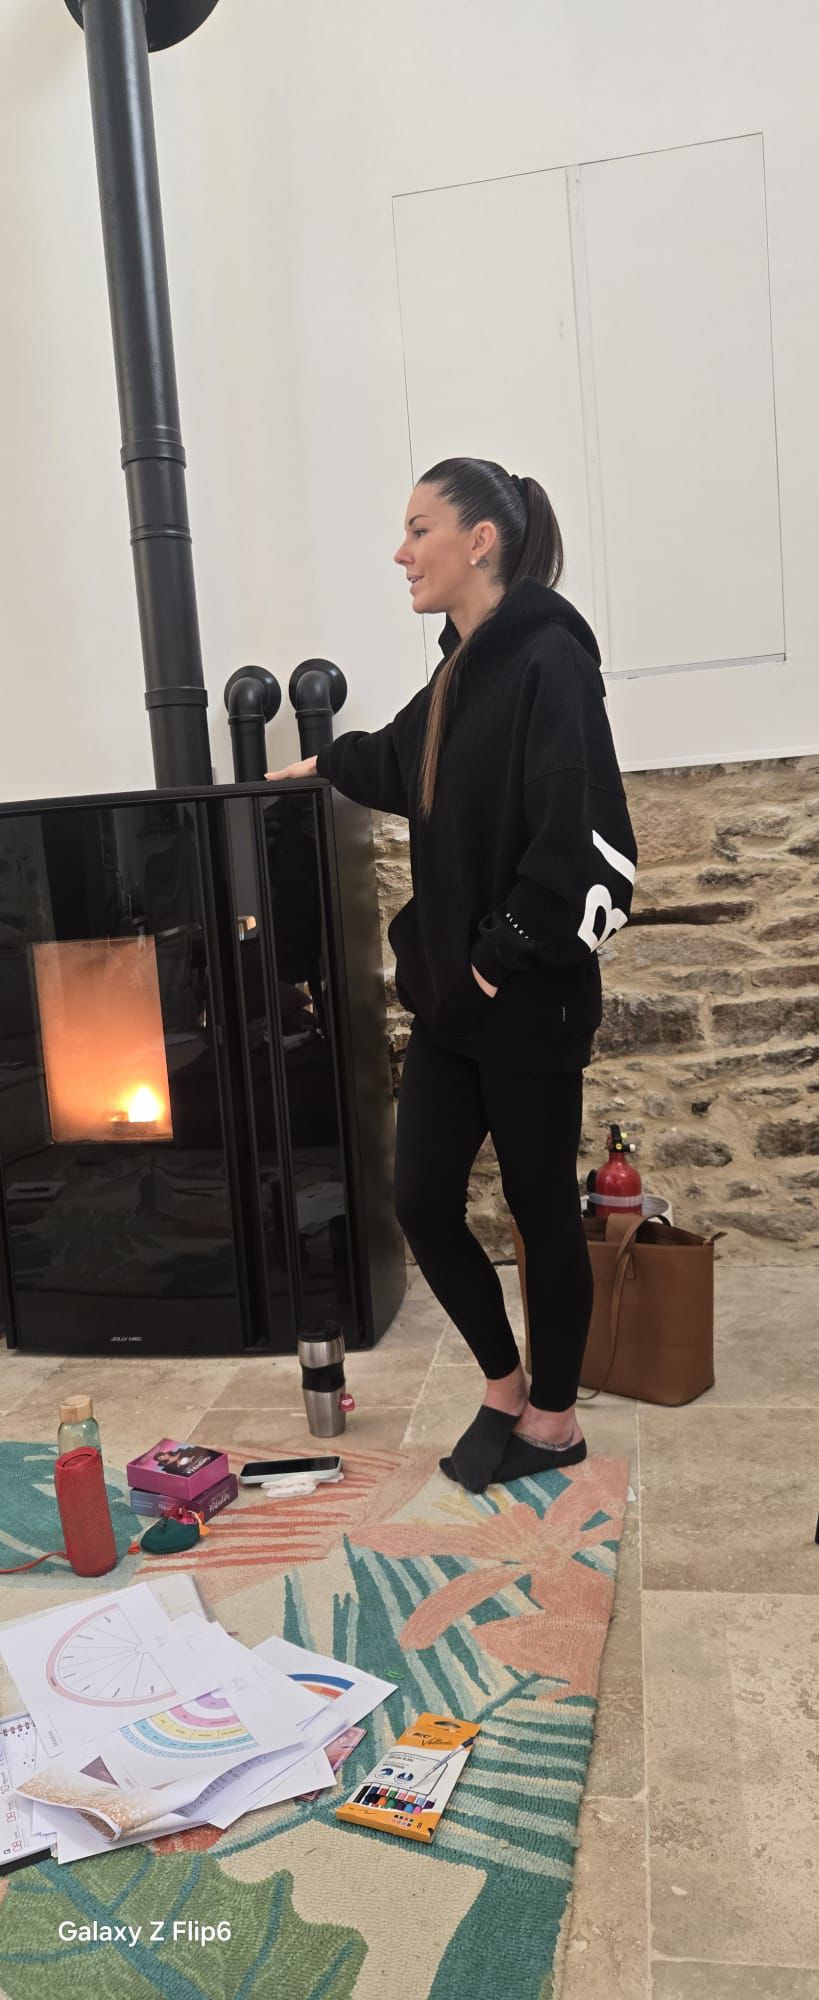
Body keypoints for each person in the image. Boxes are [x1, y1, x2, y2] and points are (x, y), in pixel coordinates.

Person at [267, 457, 637, 1492]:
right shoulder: (459, 675)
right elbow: (396, 759)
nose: (402, 550)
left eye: (419, 527)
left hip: (524, 1000)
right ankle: (505, 1381)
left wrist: (497, 953)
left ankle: (555, 1419)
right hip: (453, 1006)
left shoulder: (550, 661)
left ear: (482, 540)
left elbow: (588, 839)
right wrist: (325, 763)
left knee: (539, 1209)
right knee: (423, 1197)